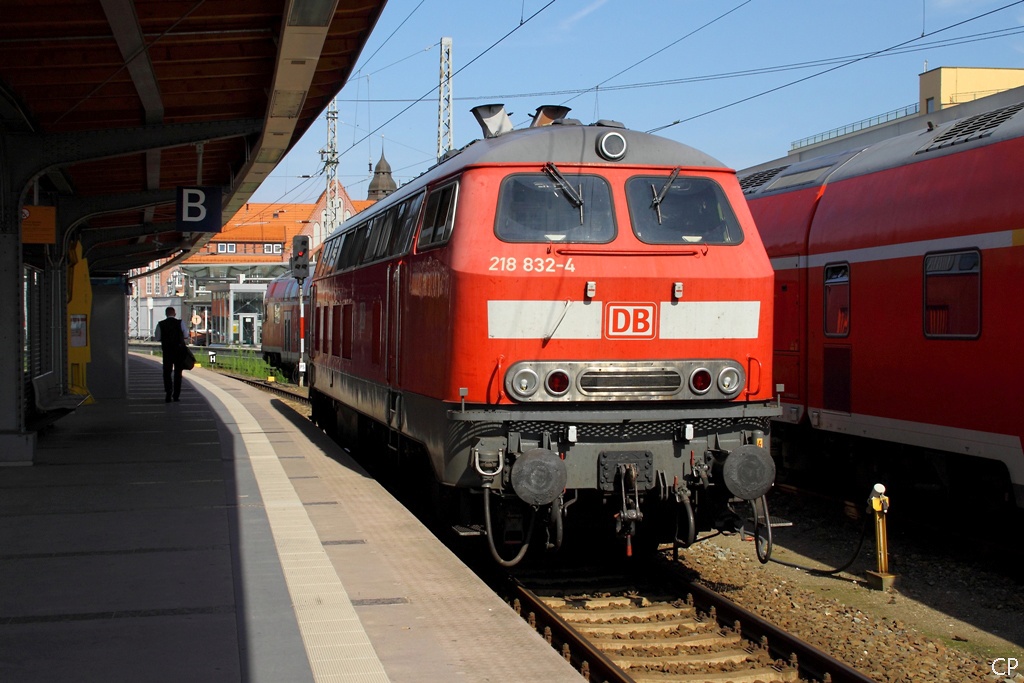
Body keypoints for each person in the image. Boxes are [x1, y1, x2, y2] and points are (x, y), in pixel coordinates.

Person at [155, 306, 190, 402]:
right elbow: (186, 335)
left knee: (167, 372)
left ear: (166, 314)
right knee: (178, 373)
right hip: (179, 352)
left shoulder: (160, 324)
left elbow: (157, 337)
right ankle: (176, 395)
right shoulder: (180, 322)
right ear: (174, 314)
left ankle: (168, 391)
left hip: (167, 352)